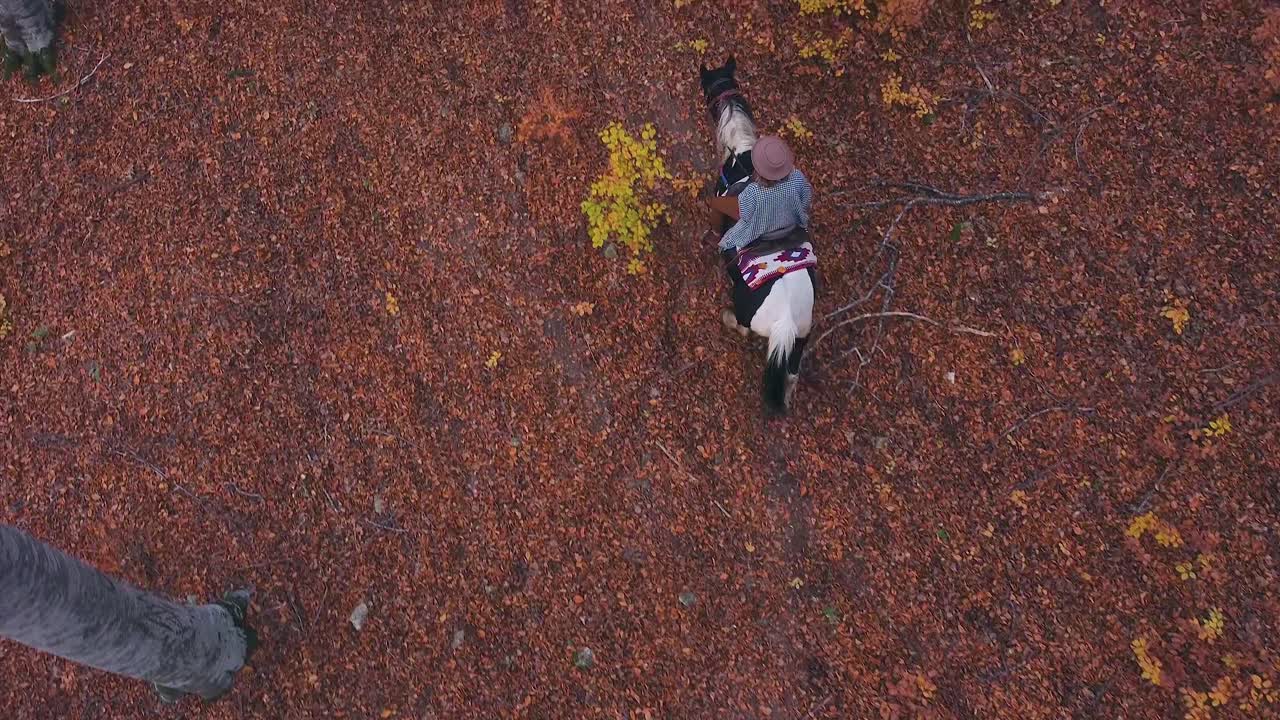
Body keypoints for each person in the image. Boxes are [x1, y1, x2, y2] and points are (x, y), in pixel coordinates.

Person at [705, 135, 812, 270]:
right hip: (791, 227)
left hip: (764, 235)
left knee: (716, 203)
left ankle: (715, 236)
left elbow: (743, 214)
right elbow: (806, 199)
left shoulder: (754, 192)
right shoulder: (797, 177)